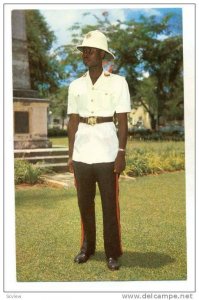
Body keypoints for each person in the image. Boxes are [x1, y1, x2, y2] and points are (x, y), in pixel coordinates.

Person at [67, 30, 131, 271]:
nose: (86, 54)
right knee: (84, 204)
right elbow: (72, 121)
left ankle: (112, 253)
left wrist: (121, 153)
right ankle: (87, 248)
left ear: (102, 54)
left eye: (90, 50)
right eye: (84, 50)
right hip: (82, 151)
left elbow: (123, 121)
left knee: (109, 205)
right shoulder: (75, 85)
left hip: (107, 150)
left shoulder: (118, 82)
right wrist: (70, 155)